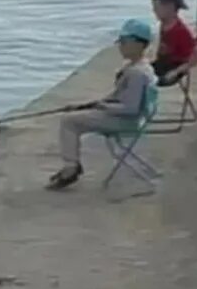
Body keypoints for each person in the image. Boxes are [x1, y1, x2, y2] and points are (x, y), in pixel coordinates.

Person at [45, 19, 156, 191]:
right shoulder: (141, 66)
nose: (120, 46)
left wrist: (103, 107)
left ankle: (71, 168)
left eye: (124, 42)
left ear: (137, 44)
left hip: (125, 121)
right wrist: (92, 105)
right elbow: (118, 98)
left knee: (69, 122)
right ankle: (71, 166)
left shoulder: (136, 73)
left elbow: (130, 109)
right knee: (73, 117)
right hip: (125, 115)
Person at [148, 0, 197, 87]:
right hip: (163, 63)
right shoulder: (164, 24)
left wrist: (176, 72)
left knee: (142, 79)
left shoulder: (180, 30)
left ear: (170, 7)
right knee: (130, 73)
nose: (154, 11)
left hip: (174, 67)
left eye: (156, 7)